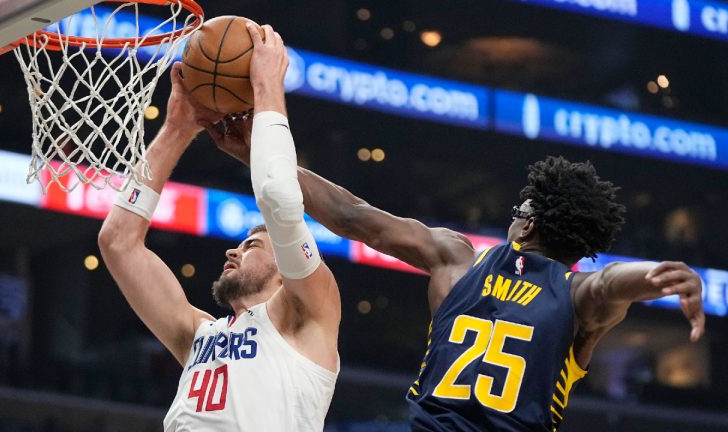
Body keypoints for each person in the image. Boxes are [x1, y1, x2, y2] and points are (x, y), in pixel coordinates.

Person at [209, 119, 705, 430]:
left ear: (526, 222)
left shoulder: (457, 261)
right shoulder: (578, 298)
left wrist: (264, 159)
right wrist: (657, 276)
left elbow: (354, 215)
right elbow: (612, 281)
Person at [98, 23, 340, 431]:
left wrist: (266, 89)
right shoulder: (199, 334)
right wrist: (178, 129)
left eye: (251, 244)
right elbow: (118, 242)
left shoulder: (310, 313)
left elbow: (280, 201)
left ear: (285, 267)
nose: (233, 251)